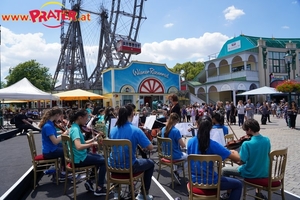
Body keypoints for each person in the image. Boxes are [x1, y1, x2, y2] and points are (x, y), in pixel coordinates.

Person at [187, 115, 242, 200]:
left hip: (194, 180)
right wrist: (234, 152)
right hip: (211, 182)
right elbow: (237, 159)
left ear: (197, 125)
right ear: (211, 128)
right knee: (238, 184)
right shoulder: (213, 144)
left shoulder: (190, 142)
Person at [110, 105, 154, 200]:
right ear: (131, 114)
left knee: (120, 158)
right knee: (150, 163)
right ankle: (143, 193)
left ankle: (117, 192)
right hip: (129, 166)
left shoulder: (112, 130)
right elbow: (150, 147)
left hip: (113, 166)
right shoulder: (136, 130)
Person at [221, 119, 271, 199]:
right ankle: (258, 194)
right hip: (264, 171)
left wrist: (233, 153)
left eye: (246, 130)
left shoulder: (247, 143)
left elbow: (240, 162)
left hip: (251, 173)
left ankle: (228, 194)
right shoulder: (267, 140)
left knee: (224, 170)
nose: (246, 133)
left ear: (250, 130)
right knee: (257, 163)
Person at [68, 109, 107, 196]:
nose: (87, 119)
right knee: (104, 160)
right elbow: (78, 146)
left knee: (98, 158)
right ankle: (100, 188)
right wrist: (92, 144)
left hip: (77, 156)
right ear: (80, 118)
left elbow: (81, 142)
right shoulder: (75, 129)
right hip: (79, 158)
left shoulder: (74, 127)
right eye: (86, 118)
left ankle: (90, 181)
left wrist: (93, 139)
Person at [39, 107, 69, 177]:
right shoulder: (48, 126)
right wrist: (65, 134)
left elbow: (52, 134)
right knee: (66, 151)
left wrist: (60, 132)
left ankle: (61, 169)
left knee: (65, 148)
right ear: (57, 115)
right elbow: (55, 141)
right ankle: (63, 172)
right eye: (60, 116)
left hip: (49, 149)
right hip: (49, 151)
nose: (60, 118)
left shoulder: (49, 124)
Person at [160, 113, 187, 185]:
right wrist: (183, 140)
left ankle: (176, 171)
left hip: (165, 154)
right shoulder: (176, 131)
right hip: (173, 155)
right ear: (176, 121)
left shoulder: (163, 129)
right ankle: (177, 172)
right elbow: (183, 145)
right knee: (188, 157)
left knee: (179, 153)